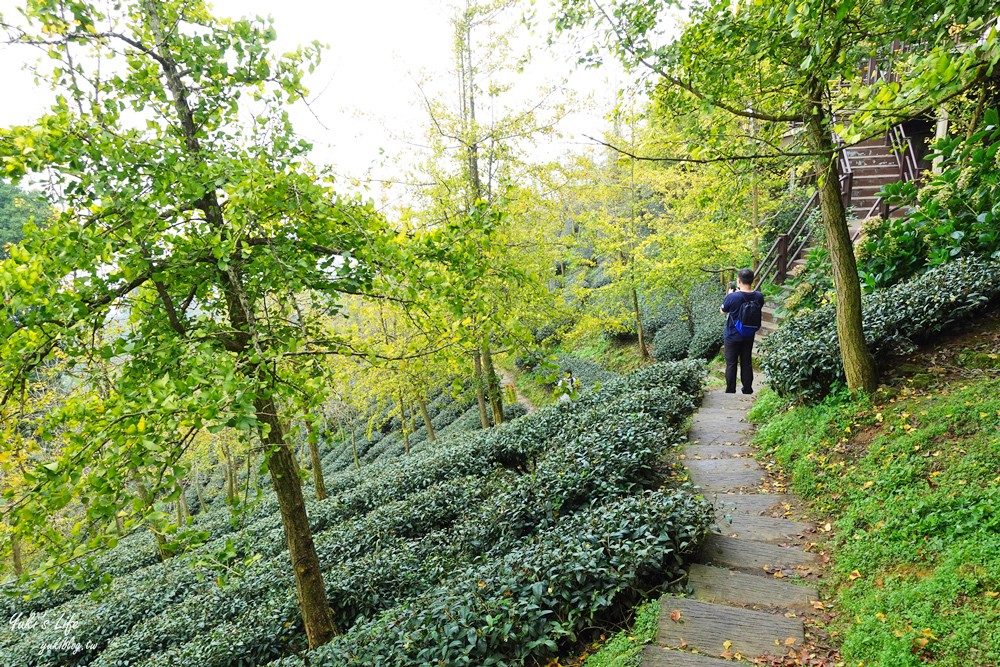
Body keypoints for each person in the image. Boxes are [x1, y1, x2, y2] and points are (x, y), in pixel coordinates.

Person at [720, 268, 765, 394]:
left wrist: (729, 295)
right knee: (746, 362)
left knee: (731, 363)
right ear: (752, 280)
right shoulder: (758, 296)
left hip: (732, 335)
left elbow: (723, 311)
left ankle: (730, 390)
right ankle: (747, 389)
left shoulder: (733, 297)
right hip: (749, 334)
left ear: (738, 281)